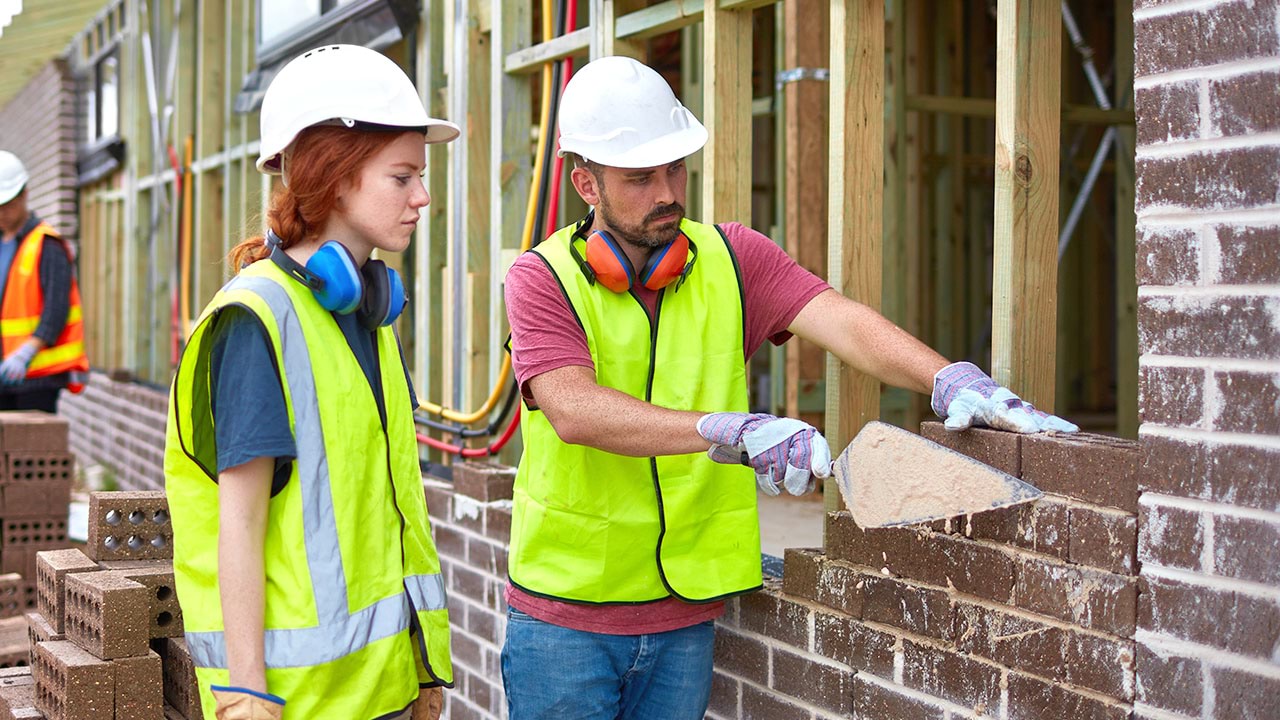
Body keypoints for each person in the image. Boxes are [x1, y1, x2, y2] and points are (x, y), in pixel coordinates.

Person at [501, 55, 1076, 720]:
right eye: (639, 177)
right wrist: (733, 432)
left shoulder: (730, 259)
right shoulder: (541, 278)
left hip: (686, 614)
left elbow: (843, 321)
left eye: (675, 168)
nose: (667, 191)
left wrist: (948, 377)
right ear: (585, 184)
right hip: (565, 621)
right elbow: (573, 409)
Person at [164, 44, 458, 720]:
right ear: (336, 177)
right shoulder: (255, 321)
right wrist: (245, 692)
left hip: (381, 692)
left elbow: (380, 517)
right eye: (402, 176)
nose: (423, 195)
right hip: (294, 706)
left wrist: (421, 672)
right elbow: (237, 522)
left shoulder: (367, 315)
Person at [0, 151, 89, 414]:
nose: (2, 213)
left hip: (35, 377)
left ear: (25, 194)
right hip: (4, 374)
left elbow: (57, 308)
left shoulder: (46, 244)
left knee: (31, 448)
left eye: (8, 205)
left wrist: (26, 353)